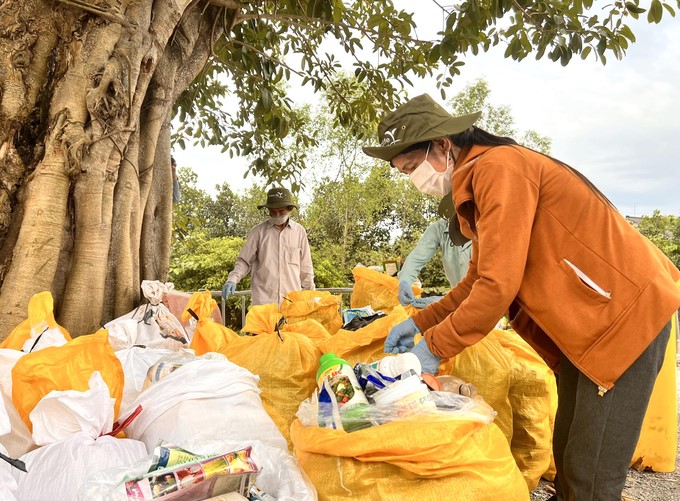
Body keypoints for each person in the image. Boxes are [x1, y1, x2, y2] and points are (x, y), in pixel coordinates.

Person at [362, 93, 680, 500]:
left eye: (412, 168)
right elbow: (477, 278)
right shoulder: (481, 176)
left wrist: (434, 345)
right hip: (588, 327)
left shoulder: (500, 169)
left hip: (624, 317)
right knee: (567, 453)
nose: (413, 180)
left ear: (442, 145)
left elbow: (497, 286)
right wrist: (420, 321)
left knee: (592, 472)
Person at [222, 187, 315, 305]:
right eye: (272, 212)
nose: (277, 215)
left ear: (289, 209)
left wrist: (311, 296)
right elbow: (244, 261)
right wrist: (232, 279)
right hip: (263, 304)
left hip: (292, 304)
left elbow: (306, 269)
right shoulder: (257, 232)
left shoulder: (299, 232)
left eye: (281, 211)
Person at [398, 193, 472, 308]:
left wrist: (446, 301)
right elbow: (417, 257)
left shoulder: (486, 231)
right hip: (458, 302)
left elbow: (489, 283)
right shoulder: (440, 229)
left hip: (485, 304)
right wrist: (405, 281)